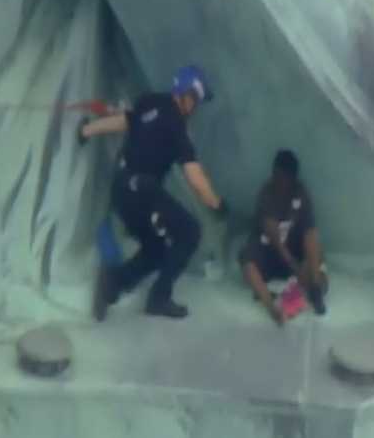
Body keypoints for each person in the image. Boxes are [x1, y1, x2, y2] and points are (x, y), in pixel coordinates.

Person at [79, 64, 230, 320]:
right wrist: (216, 204)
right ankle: (159, 299)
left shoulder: (149, 102)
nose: (196, 108)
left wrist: (86, 130)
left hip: (122, 190)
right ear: (187, 94)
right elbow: (194, 175)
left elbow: (123, 121)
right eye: (197, 100)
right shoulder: (176, 126)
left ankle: (112, 284)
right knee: (190, 232)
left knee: (157, 247)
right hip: (143, 190)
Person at [237, 149, 328, 325]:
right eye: (275, 175)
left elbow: (310, 230)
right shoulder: (267, 193)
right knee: (247, 262)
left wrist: (308, 270)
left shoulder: (301, 193)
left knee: (314, 242)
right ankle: (271, 307)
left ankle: (314, 290)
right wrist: (293, 265)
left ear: (292, 178)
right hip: (269, 251)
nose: (278, 181)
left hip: (294, 251)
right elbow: (274, 237)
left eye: (282, 178)